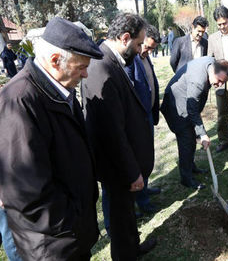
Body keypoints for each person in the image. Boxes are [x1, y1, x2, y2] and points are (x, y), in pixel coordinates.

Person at [0, 17, 103, 260]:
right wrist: (72, 222)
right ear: (55, 60)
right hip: (52, 245)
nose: (86, 74)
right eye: (81, 67)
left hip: (73, 236)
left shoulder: (61, 88)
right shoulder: (18, 102)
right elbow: (25, 191)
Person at [81, 13, 156, 260]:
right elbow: (111, 132)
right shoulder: (101, 69)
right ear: (125, 38)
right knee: (120, 217)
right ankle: (126, 255)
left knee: (127, 216)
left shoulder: (112, 60)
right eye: (137, 44)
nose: (139, 50)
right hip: (118, 168)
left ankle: (133, 248)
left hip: (125, 164)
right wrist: (132, 171)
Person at [161, 57, 228, 189]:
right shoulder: (198, 81)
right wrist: (202, 134)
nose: (220, 85)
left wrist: (199, 133)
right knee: (186, 141)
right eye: (219, 81)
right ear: (213, 72)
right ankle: (186, 179)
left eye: (224, 82)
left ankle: (191, 167)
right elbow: (192, 109)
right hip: (175, 107)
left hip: (185, 103)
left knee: (191, 138)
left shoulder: (212, 63)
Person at [125, 25, 162, 215]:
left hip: (148, 115)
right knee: (139, 159)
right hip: (138, 119)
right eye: (145, 46)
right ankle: (141, 201)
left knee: (147, 157)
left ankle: (145, 188)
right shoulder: (131, 61)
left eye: (151, 49)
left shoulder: (146, 58)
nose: (146, 51)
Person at [208, 6, 228, 153]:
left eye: (224, 23)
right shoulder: (212, 38)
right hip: (220, 81)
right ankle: (223, 140)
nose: (222, 27)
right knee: (222, 114)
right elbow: (209, 59)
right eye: (219, 24)